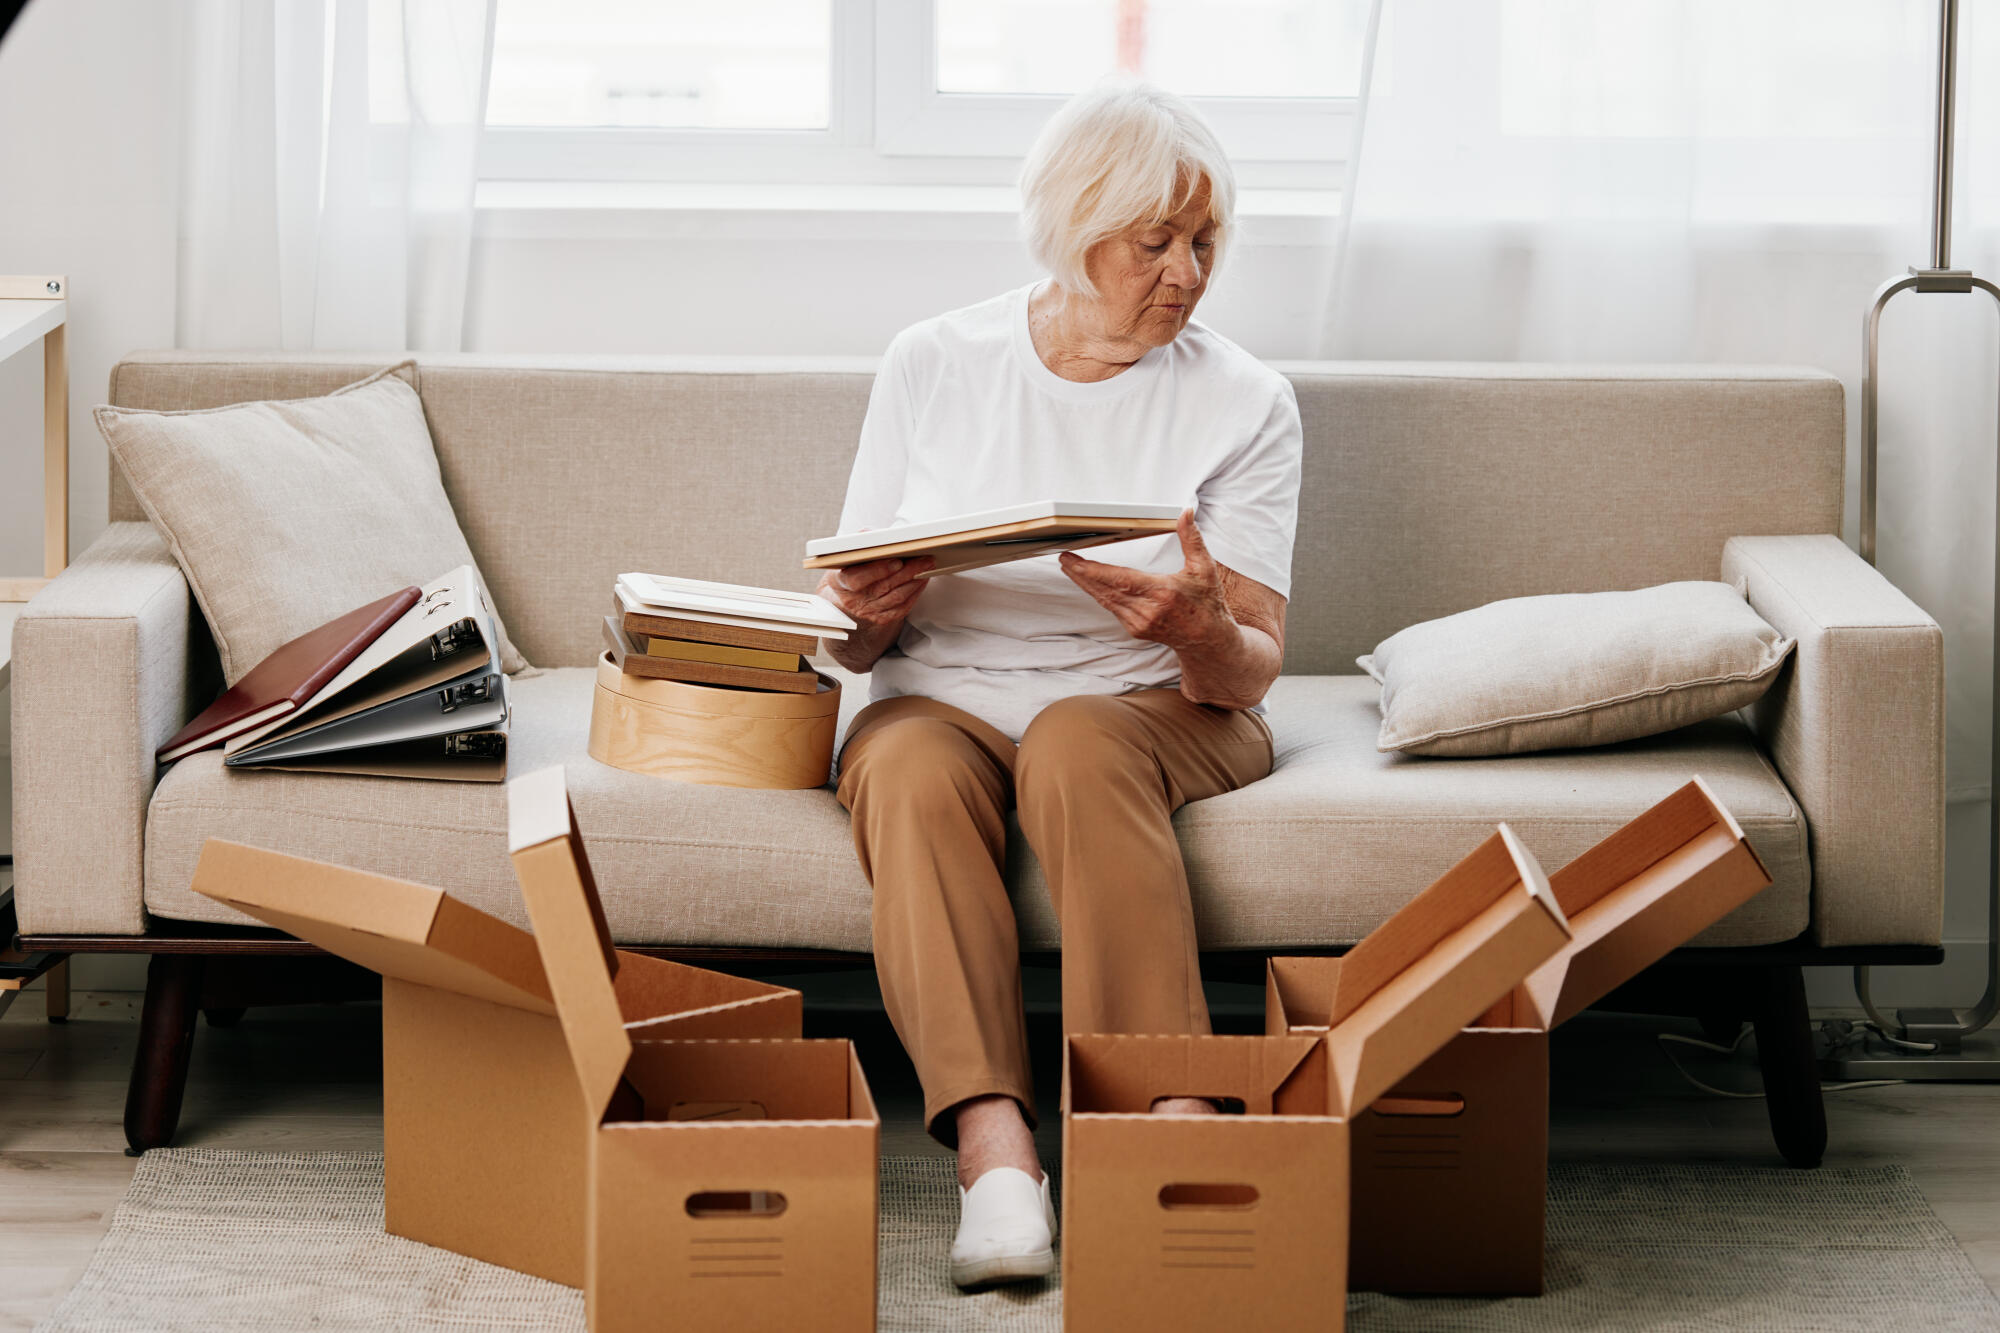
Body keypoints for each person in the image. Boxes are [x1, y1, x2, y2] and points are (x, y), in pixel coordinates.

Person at [816, 78, 1302, 1290]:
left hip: (1158, 706)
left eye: (1205, 244)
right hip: (946, 695)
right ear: (1075, 223)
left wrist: (1196, 628)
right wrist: (865, 622)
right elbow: (849, 636)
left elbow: (1254, 664)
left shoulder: (1243, 398)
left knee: (1080, 741)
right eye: (1157, 242)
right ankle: (995, 1163)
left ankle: (1162, 1127)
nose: (1186, 273)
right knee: (909, 765)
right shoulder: (934, 360)